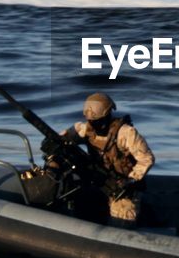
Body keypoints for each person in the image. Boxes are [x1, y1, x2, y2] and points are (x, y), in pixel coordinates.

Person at [62, 92, 155, 229]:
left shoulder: (126, 133)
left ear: (107, 116)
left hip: (121, 188)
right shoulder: (86, 129)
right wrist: (62, 139)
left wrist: (130, 180)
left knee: (121, 221)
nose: (93, 125)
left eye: (97, 122)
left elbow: (146, 159)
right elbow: (67, 137)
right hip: (98, 182)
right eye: (91, 121)